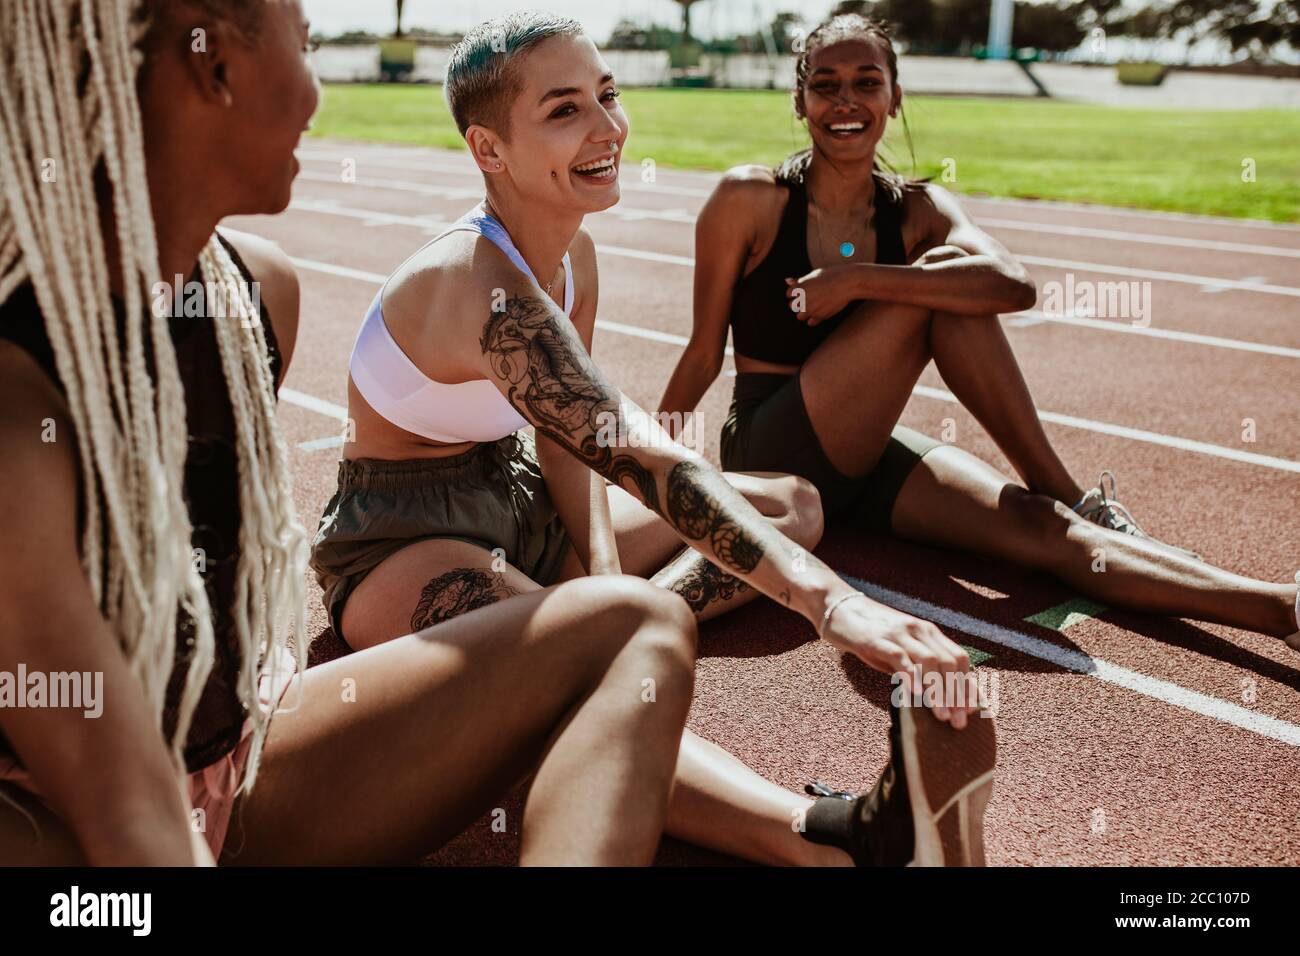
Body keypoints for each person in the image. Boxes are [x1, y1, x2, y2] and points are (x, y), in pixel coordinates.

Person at [0, 0, 703, 867]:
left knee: (633, 621)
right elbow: (107, 779)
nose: (318, 94)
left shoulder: (259, 293)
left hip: (231, 758)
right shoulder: (15, 386)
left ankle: (828, 838)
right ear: (212, 69)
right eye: (304, 48)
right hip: (65, 824)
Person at [310, 11, 997, 867]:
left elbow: (567, 446)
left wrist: (612, 592)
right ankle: (835, 840)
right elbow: (641, 454)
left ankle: (635, 620)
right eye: (564, 111)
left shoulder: (573, 256)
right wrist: (832, 603)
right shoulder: (476, 287)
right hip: (402, 538)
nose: (607, 128)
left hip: (517, 496)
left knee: (793, 504)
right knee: (584, 688)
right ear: (489, 149)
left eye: (607, 95)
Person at [658, 13, 1300, 647]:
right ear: (799, 102)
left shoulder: (918, 210)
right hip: (773, 452)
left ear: (896, 97)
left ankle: (1282, 610)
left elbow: (1013, 284)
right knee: (938, 288)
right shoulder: (749, 200)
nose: (845, 102)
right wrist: (641, 478)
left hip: (865, 459)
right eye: (825, 85)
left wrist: (857, 280)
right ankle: (1069, 492)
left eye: (867, 82)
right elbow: (701, 355)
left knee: (1040, 529)